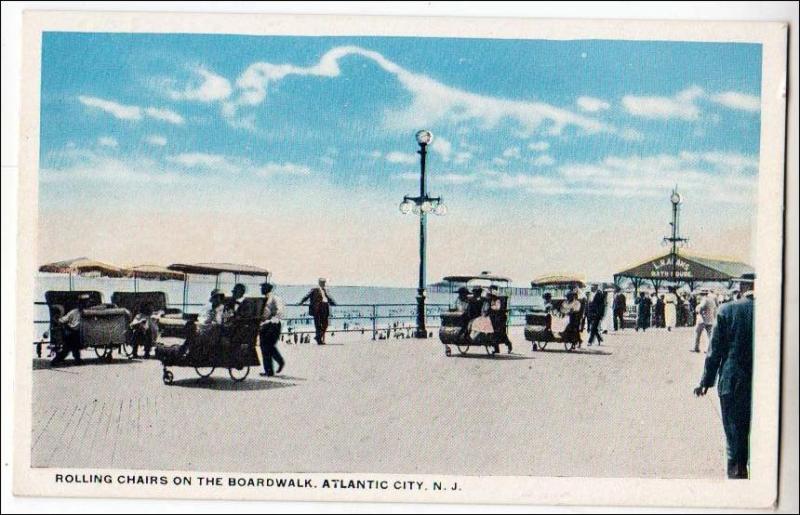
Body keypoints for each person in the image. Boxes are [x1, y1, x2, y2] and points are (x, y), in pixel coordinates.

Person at [694, 273, 755, 479]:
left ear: (743, 286)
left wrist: (705, 382)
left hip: (733, 384)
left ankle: (738, 488)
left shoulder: (728, 310)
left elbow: (715, 352)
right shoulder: (776, 311)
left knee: (734, 443)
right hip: (765, 384)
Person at [51, 293, 91, 366]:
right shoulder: (74, 312)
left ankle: (77, 360)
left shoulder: (88, 312)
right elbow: (63, 320)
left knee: (73, 347)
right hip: (71, 332)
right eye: (83, 302)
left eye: (86, 302)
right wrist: (57, 320)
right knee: (68, 348)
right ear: (80, 303)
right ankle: (56, 361)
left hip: (79, 333)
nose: (85, 304)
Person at [299, 278, 337, 345]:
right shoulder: (314, 289)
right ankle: (319, 340)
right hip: (317, 309)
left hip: (325, 308)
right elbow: (307, 296)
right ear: (319, 283)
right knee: (318, 325)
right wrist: (301, 302)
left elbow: (328, 297)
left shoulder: (324, 290)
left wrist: (333, 303)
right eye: (322, 282)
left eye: (324, 282)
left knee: (325, 324)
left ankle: (318, 337)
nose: (324, 284)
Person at [259, 281, 285, 376]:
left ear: (267, 289)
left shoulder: (274, 298)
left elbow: (280, 311)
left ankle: (271, 368)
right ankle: (270, 369)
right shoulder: (264, 298)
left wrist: (273, 319)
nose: (261, 289)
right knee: (265, 347)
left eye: (262, 288)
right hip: (265, 324)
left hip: (273, 324)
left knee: (267, 346)